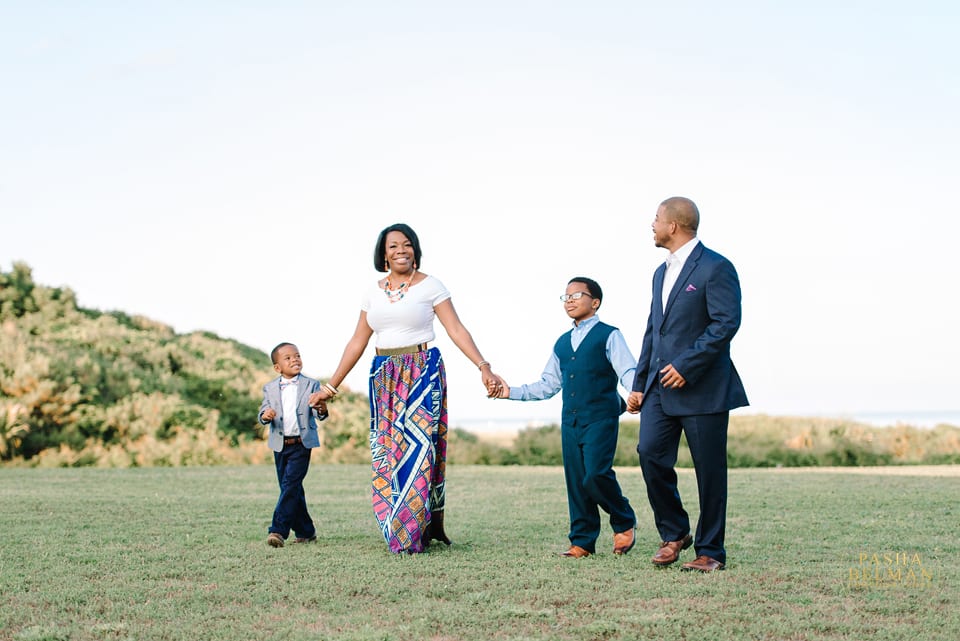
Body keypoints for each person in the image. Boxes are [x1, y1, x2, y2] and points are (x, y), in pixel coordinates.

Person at [308, 223, 504, 554]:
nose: (401, 249)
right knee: (388, 450)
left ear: (415, 249)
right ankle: (403, 524)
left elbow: (455, 329)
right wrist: (331, 386)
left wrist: (483, 366)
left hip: (422, 371)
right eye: (394, 246)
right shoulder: (372, 292)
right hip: (384, 376)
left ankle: (414, 532)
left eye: (407, 244)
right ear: (383, 254)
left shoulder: (431, 286)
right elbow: (358, 341)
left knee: (419, 451)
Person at [626, 196, 749, 572]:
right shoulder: (659, 273)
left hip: (704, 389)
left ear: (674, 226)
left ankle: (710, 551)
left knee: (709, 472)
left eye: (657, 218)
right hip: (659, 391)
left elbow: (725, 323)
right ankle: (675, 532)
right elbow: (654, 332)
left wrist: (687, 365)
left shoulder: (716, 267)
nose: (652, 224)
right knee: (649, 453)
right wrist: (639, 383)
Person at [495, 277, 638, 559]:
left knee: (595, 475)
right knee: (576, 481)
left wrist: (636, 393)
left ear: (595, 302)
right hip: (570, 420)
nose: (570, 300)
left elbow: (628, 370)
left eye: (577, 295)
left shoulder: (610, 335)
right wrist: (508, 391)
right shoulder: (562, 343)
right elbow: (547, 385)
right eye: (566, 296)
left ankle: (624, 520)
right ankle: (583, 542)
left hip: (601, 416)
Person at [258, 342, 328, 548]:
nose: (294, 360)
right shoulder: (269, 388)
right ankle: (306, 531)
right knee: (291, 488)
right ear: (277, 368)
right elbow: (263, 411)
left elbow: (318, 413)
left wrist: (322, 408)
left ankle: (278, 531)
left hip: (301, 444)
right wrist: (265, 415)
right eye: (287, 358)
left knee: (290, 485)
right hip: (280, 444)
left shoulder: (312, 384)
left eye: (297, 355)